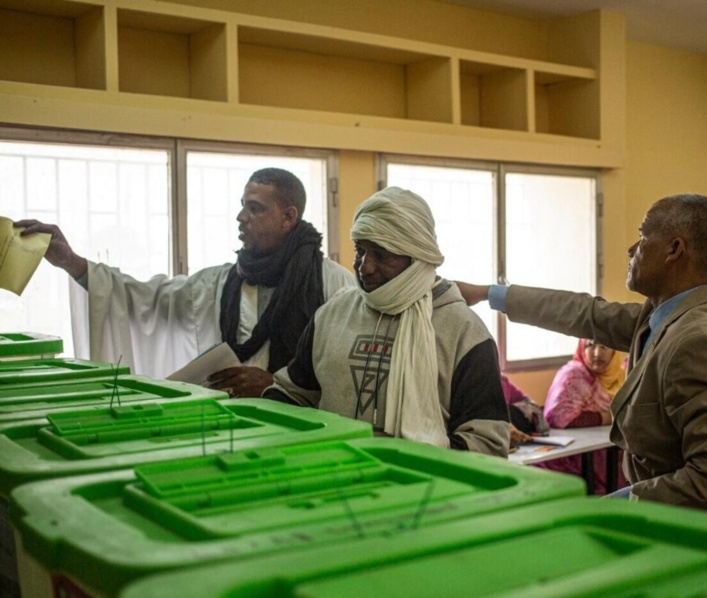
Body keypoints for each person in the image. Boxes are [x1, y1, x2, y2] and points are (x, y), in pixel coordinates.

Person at [457, 193, 707, 519]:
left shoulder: (699, 342)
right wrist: (486, 294)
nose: (631, 250)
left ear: (674, 250)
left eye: (642, 238)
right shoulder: (664, 316)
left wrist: (621, 506)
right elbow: (585, 314)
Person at [15, 168, 355, 397]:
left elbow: (346, 375)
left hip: (304, 433)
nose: (241, 217)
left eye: (254, 208)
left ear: (289, 217)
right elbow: (143, 298)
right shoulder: (219, 283)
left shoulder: (333, 285)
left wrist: (276, 385)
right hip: (230, 427)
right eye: (242, 207)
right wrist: (72, 262)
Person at [264, 186, 509, 456]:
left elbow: (487, 442)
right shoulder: (333, 314)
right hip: (333, 476)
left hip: (424, 491)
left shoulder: (463, 331)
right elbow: (292, 394)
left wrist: (410, 464)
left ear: (416, 256)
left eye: (382, 254)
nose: (364, 267)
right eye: (361, 250)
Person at [536, 338, 626, 495]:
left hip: (601, 451)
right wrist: (606, 417)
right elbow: (560, 418)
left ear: (614, 351)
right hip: (567, 459)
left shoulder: (619, 376)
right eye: (590, 345)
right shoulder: (574, 375)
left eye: (604, 346)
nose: (597, 353)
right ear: (581, 349)